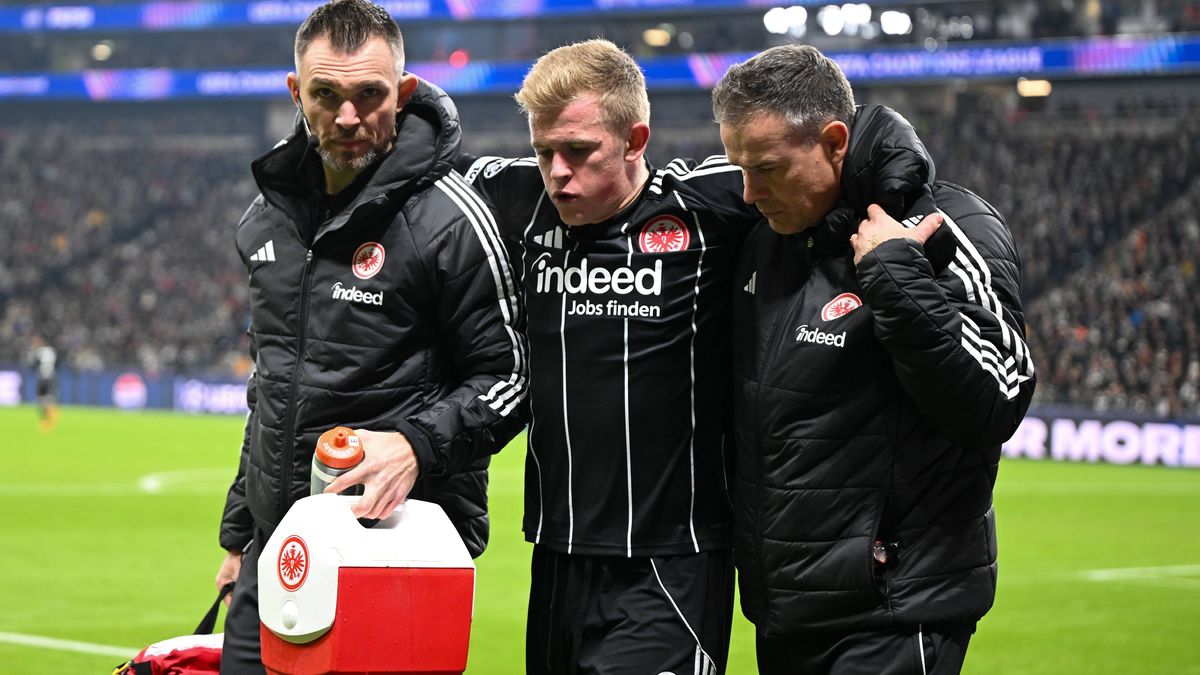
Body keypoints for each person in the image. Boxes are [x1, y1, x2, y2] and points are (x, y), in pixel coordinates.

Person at [214, 1, 528, 672]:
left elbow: (512, 378)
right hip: (277, 549)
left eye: (369, 95)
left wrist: (417, 444)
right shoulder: (265, 221)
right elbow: (273, 382)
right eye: (326, 95)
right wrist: (241, 532)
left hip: (390, 553)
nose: (348, 117)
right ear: (297, 93)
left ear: (404, 93)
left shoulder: (450, 220)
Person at [711, 45, 1036, 673]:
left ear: (835, 141)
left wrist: (896, 275)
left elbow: (998, 397)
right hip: (785, 612)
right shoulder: (767, 241)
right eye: (739, 167)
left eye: (768, 168)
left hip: (894, 610)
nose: (749, 192)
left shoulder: (948, 225)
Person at [460, 39, 756, 674]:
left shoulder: (707, 209)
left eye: (579, 151)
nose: (558, 172)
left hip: (672, 562)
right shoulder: (512, 198)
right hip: (558, 556)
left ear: (635, 138)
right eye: (544, 152)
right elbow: (420, 165)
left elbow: (827, 150)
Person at [28, 335, 59, 432]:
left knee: (41, 400)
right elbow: (57, 363)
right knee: (49, 398)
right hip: (51, 376)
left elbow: (34, 364)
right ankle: (50, 418)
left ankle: (47, 420)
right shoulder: (51, 351)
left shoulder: (39, 351)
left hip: (43, 377)